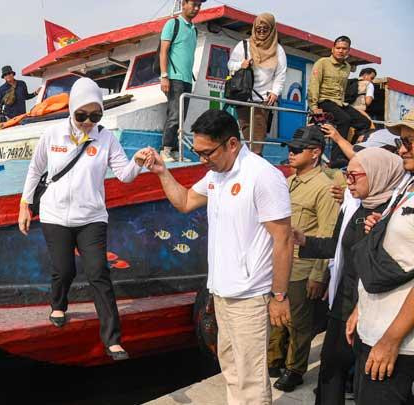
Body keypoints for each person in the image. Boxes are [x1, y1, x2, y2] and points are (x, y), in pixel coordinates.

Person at [145, 109, 293, 405]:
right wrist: (163, 171)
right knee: (230, 366)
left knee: (250, 376)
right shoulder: (216, 174)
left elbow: (284, 238)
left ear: (233, 144)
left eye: (207, 152)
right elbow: (186, 201)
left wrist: (279, 296)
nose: (202, 159)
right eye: (196, 151)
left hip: (250, 295)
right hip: (222, 291)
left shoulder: (263, 176)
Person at [18, 78, 149, 361]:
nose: (88, 121)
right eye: (82, 115)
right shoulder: (52, 135)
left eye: (95, 115)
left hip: (91, 217)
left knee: (98, 272)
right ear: (72, 110)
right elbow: (34, 170)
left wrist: (137, 161)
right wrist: (24, 204)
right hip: (55, 215)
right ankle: (58, 304)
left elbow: (124, 175)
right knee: (64, 270)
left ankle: (113, 340)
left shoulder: (106, 138)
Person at [294, 148, 406, 405]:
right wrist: (304, 241)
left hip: (373, 308)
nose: (348, 182)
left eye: (355, 176)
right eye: (347, 175)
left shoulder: (393, 213)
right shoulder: (355, 206)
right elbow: (338, 246)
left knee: (366, 382)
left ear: (378, 174)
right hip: (342, 302)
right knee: (330, 371)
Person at [348, 112, 414, 404]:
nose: (401, 149)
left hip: (399, 344)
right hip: (375, 329)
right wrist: (361, 308)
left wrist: (391, 340)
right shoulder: (406, 186)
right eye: (401, 141)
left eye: (410, 142)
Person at [268, 126, 340, 392]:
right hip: (280, 264)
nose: (291, 153)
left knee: (299, 323)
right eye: (290, 148)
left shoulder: (324, 188)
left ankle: (294, 369)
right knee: (277, 319)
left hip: (302, 265)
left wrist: (318, 275)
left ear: (316, 153)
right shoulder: (287, 183)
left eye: (298, 149)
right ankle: (273, 359)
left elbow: (327, 232)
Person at [227, 12, 287, 156]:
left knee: (258, 138)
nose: (261, 32)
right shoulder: (243, 45)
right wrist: (241, 64)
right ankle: (249, 163)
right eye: (258, 28)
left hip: (263, 100)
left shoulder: (278, 50)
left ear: (272, 29)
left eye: (265, 29)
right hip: (243, 97)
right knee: (246, 132)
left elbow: (280, 74)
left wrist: (275, 92)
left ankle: (256, 163)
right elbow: (230, 64)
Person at [308, 36, 370, 169]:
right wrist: (313, 106)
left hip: (339, 103)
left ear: (348, 51)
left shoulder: (347, 67)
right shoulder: (322, 62)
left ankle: (351, 151)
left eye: (344, 49)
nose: (341, 51)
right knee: (345, 120)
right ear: (333, 49)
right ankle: (336, 159)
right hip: (324, 101)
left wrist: (348, 107)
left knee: (364, 122)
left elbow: (342, 90)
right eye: (338, 48)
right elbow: (314, 84)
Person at [159, 0, 204, 162]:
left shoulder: (194, 30)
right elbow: (163, 51)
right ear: (183, 4)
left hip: (186, 79)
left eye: (199, 5)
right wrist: (164, 76)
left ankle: (176, 151)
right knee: (174, 114)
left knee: (181, 117)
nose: (197, 8)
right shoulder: (173, 24)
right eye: (194, 4)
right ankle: (165, 150)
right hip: (174, 78)